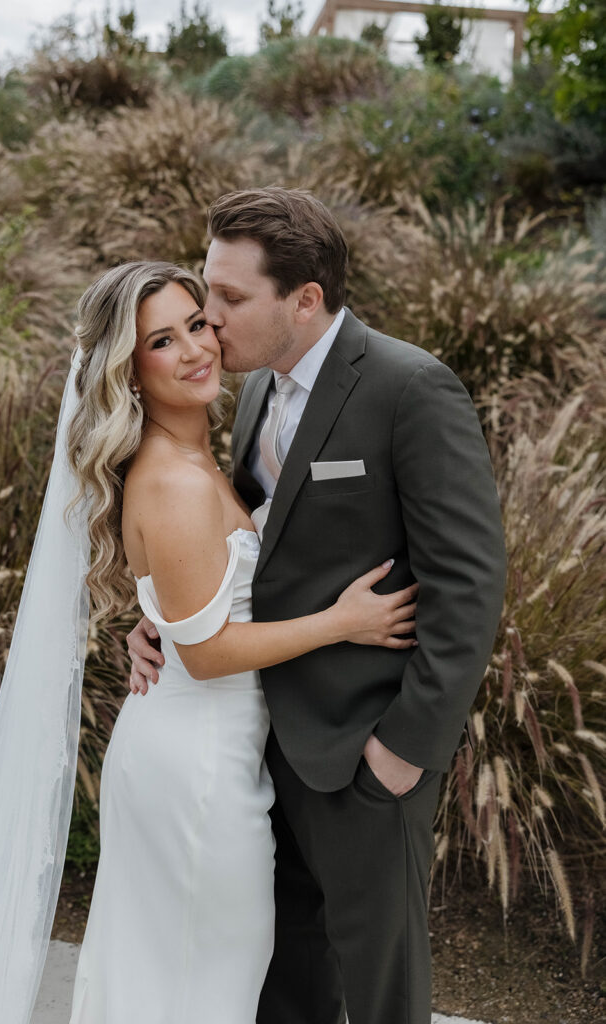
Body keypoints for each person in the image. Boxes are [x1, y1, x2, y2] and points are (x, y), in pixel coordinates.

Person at [0, 259, 418, 1024]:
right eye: (162, 341)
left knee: (180, 979)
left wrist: (153, 616)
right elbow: (206, 651)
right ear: (128, 370)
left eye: (197, 323)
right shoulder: (176, 481)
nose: (196, 349)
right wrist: (342, 622)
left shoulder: (193, 459)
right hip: (196, 774)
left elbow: (197, 606)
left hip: (203, 754)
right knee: (203, 986)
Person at [127, 188, 507, 1024]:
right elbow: (249, 547)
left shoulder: (410, 388)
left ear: (304, 300)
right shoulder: (256, 392)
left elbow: (470, 583)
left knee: (379, 988)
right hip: (255, 749)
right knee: (285, 980)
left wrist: (402, 754)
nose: (208, 318)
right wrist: (163, 615)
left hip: (365, 755)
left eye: (228, 299)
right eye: (204, 289)